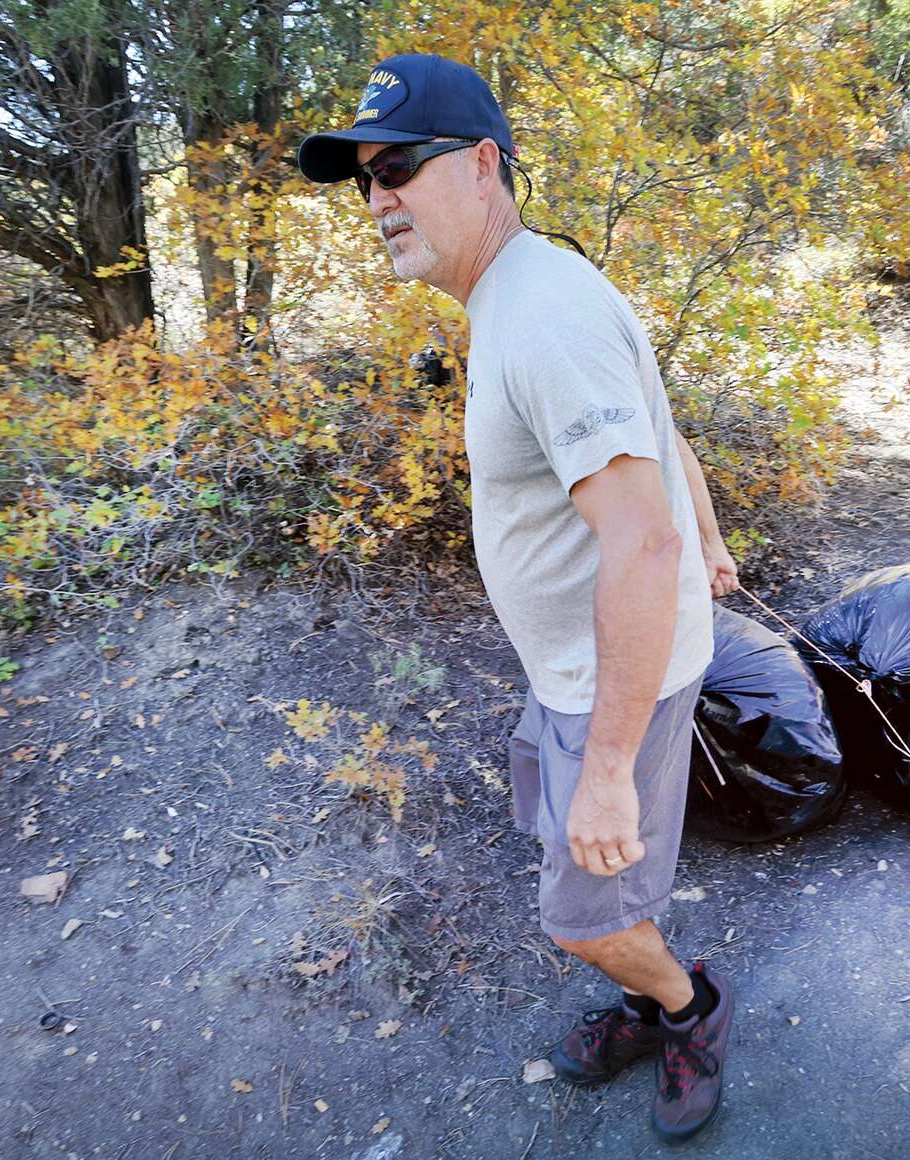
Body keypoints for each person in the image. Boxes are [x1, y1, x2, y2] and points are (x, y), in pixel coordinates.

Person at [298, 54, 741, 1143]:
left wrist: (605, 769)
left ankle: (687, 1010)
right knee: (581, 866)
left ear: (485, 163)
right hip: (571, 670)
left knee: (577, 911)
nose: (379, 196)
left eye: (399, 164)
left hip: (613, 684)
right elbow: (659, 422)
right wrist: (718, 537)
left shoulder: (541, 315)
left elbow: (638, 543)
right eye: (363, 178)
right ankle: (650, 988)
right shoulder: (523, 291)